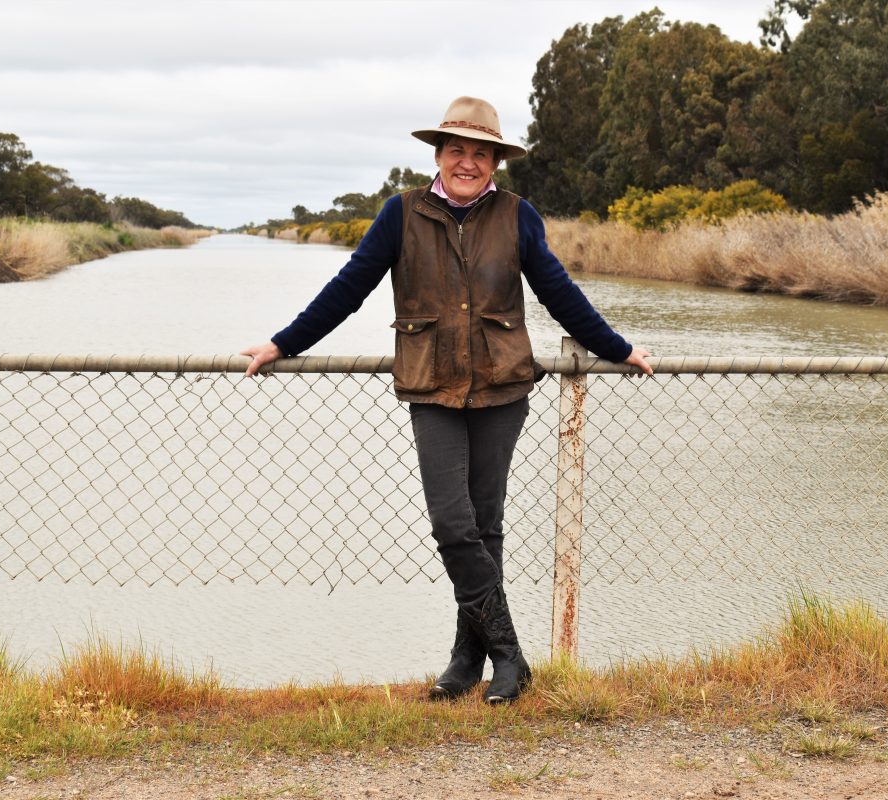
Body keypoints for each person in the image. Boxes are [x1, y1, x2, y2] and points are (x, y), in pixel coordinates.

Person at [242, 96, 652, 704]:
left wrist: (616, 348)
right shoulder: (400, 215)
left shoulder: (517, 216)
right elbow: (349, 288)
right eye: (456, 150)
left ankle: (468, 659)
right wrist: (284, 342)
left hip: (502, 386)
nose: (467, 162)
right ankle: (510, 654)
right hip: (431, 387)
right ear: (438, 155)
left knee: (485, 526)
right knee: (452, 525)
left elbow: (558, 293)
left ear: (494, 162)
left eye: (480, 153)